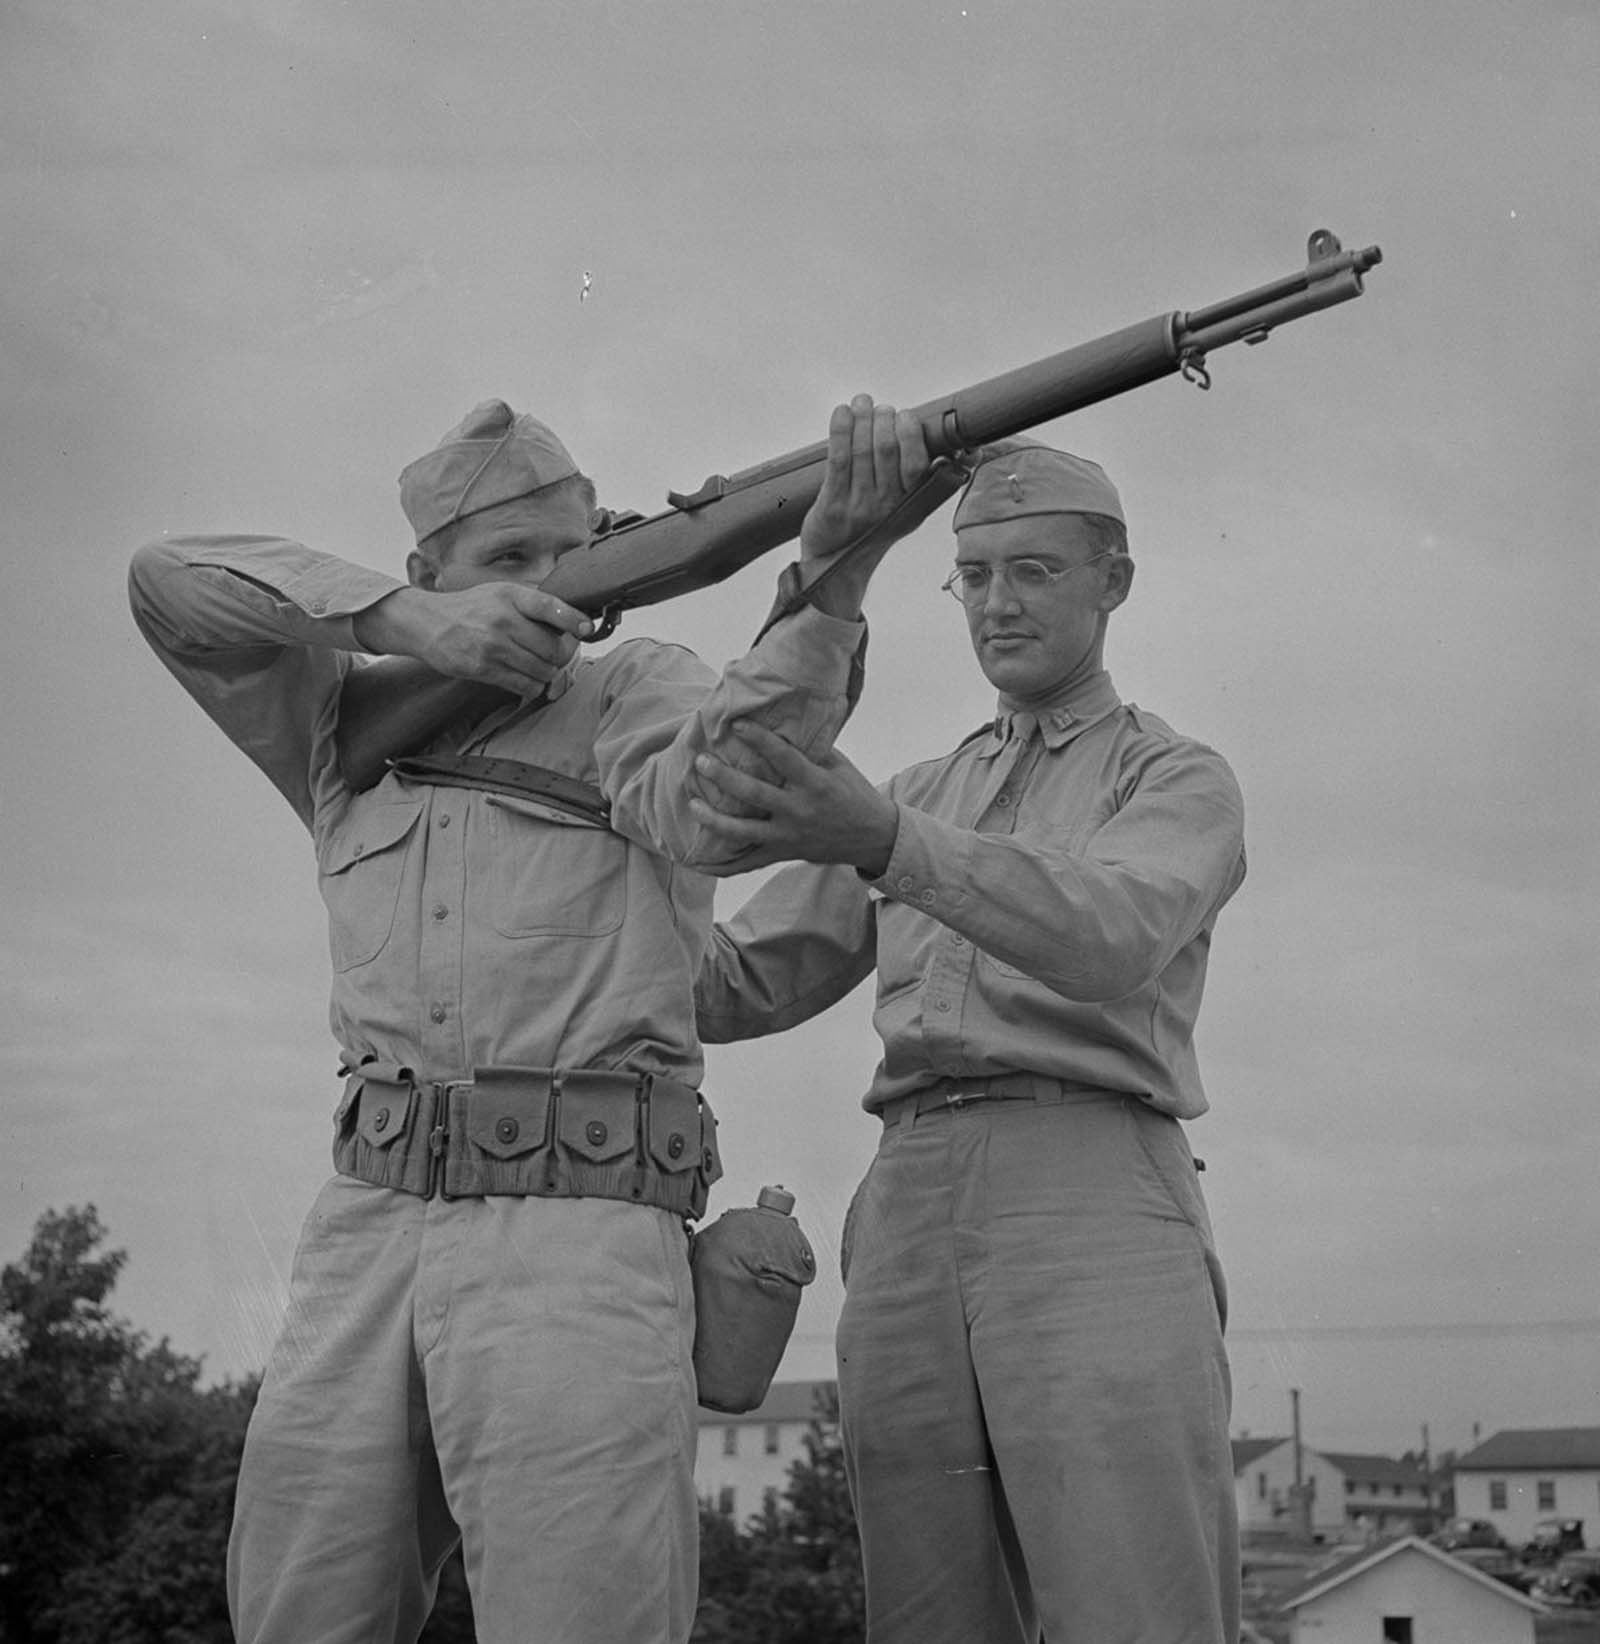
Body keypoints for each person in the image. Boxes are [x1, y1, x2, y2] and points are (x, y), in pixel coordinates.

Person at [127, 392, 959, 1644]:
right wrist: (411, 630)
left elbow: (718, 802)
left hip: (579, 1242)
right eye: (503, 563)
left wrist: (833, 574)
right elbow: (167, 582)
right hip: (366, 1233)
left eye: (567, 555)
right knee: (298, 1612)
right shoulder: (344, 715)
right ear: (426, 575)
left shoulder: (641, 686)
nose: (543, 588)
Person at [689, 439, 1247, 1644]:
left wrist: (885, 842)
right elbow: (731, 986)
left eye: (1034, 570)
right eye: (973, 574)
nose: (997, 603)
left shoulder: (1176, 778)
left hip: (1091, 1190)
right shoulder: (917, 789)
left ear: (1116, 580)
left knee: (1128, 1608)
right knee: (927, 1615)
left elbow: (1111, 937)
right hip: (903, 1212)